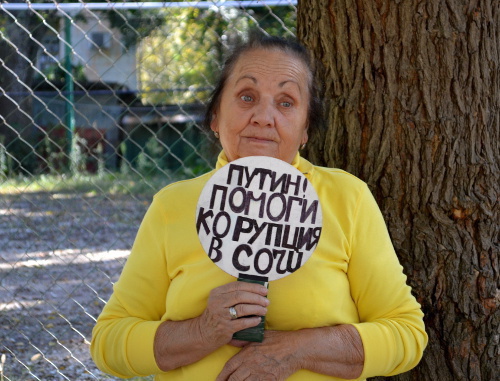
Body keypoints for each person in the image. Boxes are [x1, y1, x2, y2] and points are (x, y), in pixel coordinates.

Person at [91, 35, 427, 380]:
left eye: (286, 103)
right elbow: (108, 344)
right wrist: (203, 331)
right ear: (216, 116)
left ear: (305, 128)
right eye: (247, 97)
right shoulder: (172, 206)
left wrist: (296, 351)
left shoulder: (347, 199)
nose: (264, 117)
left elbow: (407, 334)